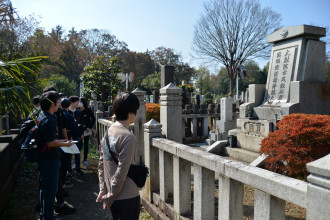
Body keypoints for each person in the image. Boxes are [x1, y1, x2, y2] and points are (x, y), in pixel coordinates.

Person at [96, 92, 141, 220]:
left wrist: (104, 190)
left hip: (113, 194)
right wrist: (110, 195)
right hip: (127, 195)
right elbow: (122, 170)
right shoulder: (128, 137)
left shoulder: (109, 131)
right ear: (132, 112)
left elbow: (101, 164)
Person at [37, 91, 73, 220]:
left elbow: (49, 139)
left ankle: (44, 214)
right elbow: (50, 143)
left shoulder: (42, 116)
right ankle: (48, 216)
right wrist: (65, 144)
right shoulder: (49, 120)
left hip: (44, 158)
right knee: (50, 190)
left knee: (44, 188)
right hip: (49, 159)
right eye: (57, 102)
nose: (59, 104)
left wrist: (63, 141)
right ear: (52, 103)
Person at [69, 96, 84, 175]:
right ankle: (69, 170)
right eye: (77, 102)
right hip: (69, 136)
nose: (78, 103)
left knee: (77, 152)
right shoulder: (67, 112)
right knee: (69, 153)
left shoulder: (78, 112)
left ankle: (77, 168)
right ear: (72, 102)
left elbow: (81, 123)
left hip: (78, 135)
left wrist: (82, 133)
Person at [79, 97, 96, 166]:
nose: (79, 103)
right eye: (78, 101)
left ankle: (85, 159)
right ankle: (77, 161)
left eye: (80, 101)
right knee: (79, 145)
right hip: (79, 130)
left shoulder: (88, 110)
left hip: (87, 130)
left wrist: (89, 127)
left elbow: (93, 119)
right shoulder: (77, 110)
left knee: (86, 145)